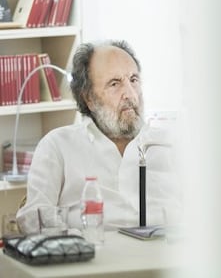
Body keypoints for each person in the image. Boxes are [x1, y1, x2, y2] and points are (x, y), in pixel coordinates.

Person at [17, 40, 181, 234]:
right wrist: (78, 240)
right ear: (89, 98)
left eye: (134, 80)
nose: (130, 94)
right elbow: (33, 219)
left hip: (161, 260)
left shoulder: (172, 146)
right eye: (115, 83)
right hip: (89, 259)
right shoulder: (58, 146)